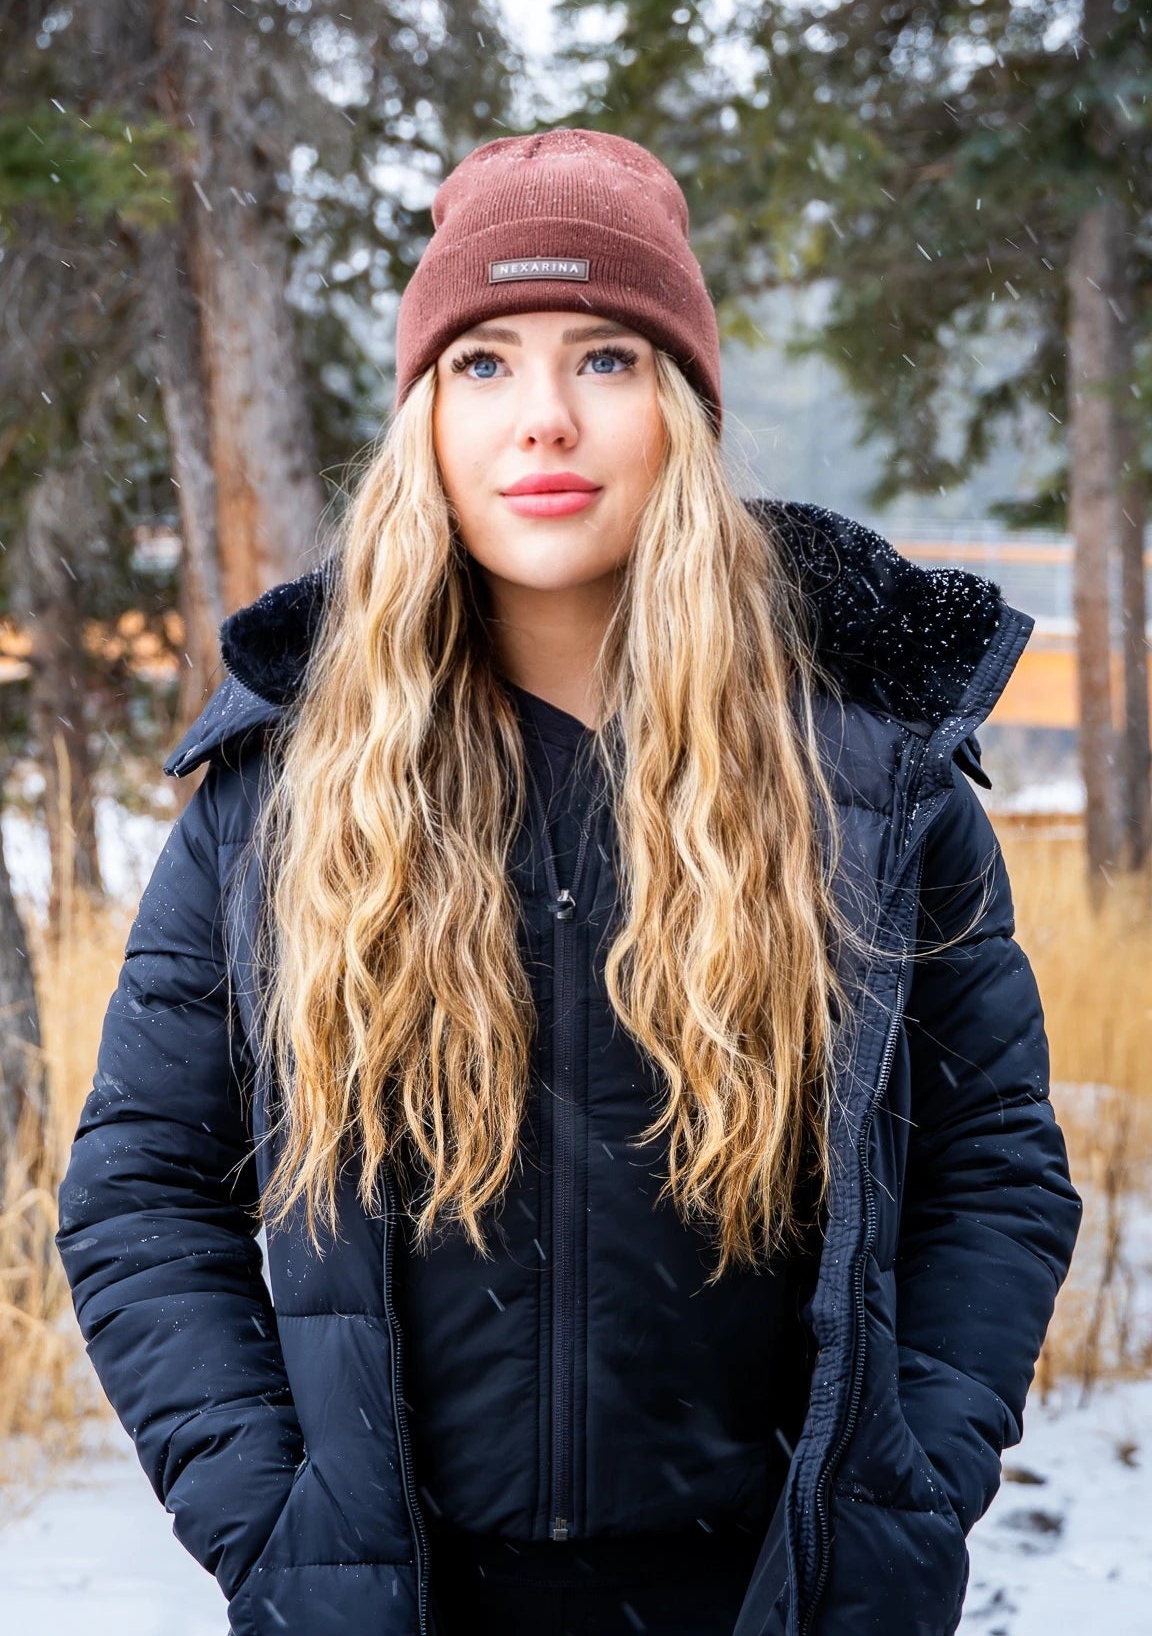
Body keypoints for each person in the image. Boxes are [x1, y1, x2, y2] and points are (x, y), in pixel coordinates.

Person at [57, 128, 1081, 1636]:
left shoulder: (865, 779)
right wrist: (280, 1528)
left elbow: (993, 1165)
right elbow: (141, 1189)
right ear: (426, 419)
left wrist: (901, 1489)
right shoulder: (284, 795)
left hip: (777, 1599)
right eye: (484, 364)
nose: (543, 418)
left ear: (677, 406)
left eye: (605, 357)